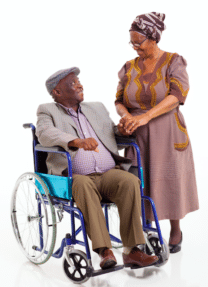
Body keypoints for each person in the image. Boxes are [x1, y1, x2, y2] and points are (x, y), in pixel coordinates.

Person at [36, 67, 158, 270]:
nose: (80, 85)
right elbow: (45, 133)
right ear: (57, 92)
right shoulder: (47, 110)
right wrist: (76, 141)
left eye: (79, 81)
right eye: (73, 83)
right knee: (83, 185)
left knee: (129, 181)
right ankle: (104, 251)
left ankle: (132, 251)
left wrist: (122, 130)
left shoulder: (97, 108)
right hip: (76, 177)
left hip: (108, 173)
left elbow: (111, 132)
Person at [115, 12, 199, 253]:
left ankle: (175, 229)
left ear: (153, 38)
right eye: (131, 42)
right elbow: (119, 100)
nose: (134, 47)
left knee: (171, 180)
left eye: (138, 42)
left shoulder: (174, 62)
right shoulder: (129, 67)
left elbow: (177, 95)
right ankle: (147, 227)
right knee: (140, 180)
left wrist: (146, 116)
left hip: (167, 132)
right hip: (137, 134)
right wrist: (127, 116)